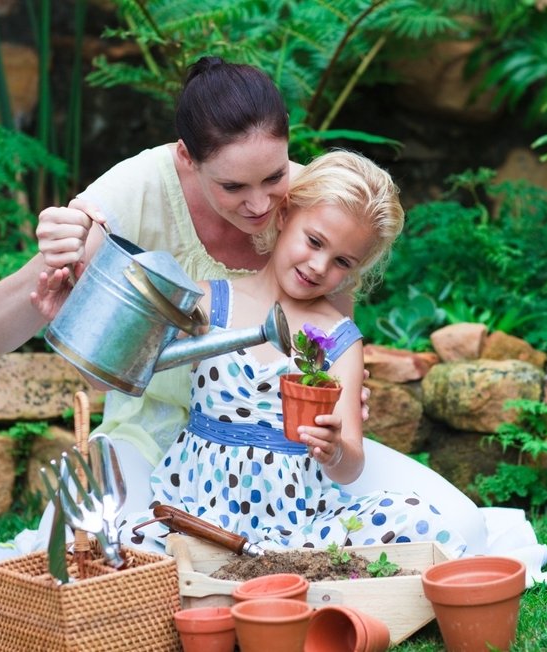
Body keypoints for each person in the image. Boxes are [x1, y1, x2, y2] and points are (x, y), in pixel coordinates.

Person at [0, 56, 538, 560]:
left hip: (286, 470)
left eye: (274, 177)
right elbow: (14, 342)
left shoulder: (316, 206)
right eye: (233, 186)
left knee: (462, 529)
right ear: (187, 160)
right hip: (154, 441)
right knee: (92, 544)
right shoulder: (139, 190)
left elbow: (330, 345)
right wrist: (57, 280)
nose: (260, 204)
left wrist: (338, 406)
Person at [122, 150, 467, 557]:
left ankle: (277, 570)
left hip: (297, 527)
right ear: (284, 216)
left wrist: (335, 449)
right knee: (119, 535)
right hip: (196, 512)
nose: (319, 266)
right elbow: (134, 338)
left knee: (417, 518)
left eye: (342, 261)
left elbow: (351, 463)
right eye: (314, 241)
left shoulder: (340, 340)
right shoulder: (211, 300)